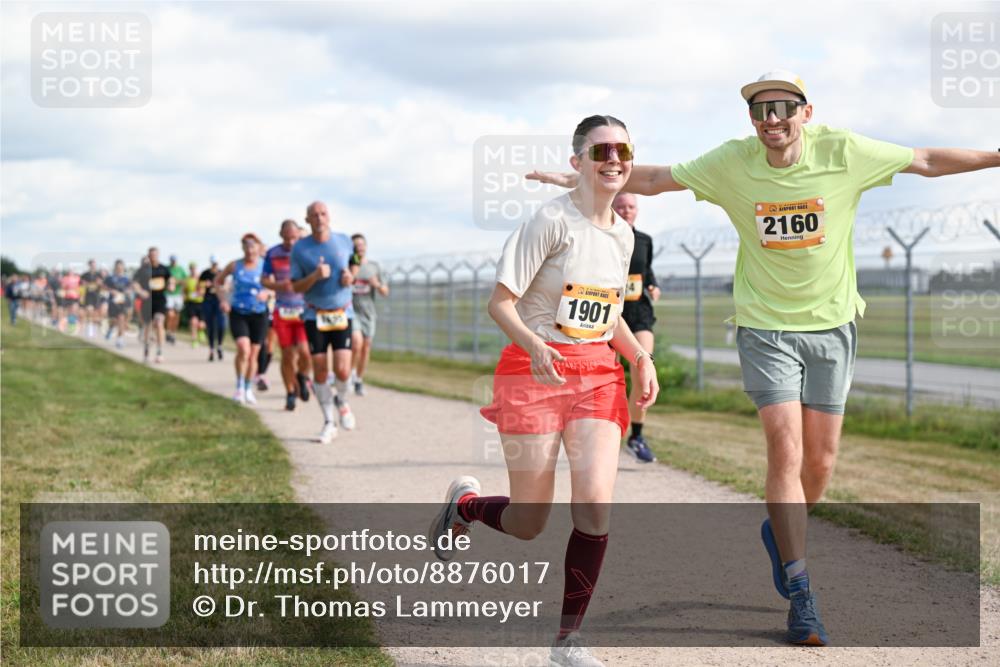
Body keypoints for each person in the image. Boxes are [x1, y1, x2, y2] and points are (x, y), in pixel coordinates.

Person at [529, 70, 1000, 646]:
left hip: (833, 327)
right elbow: (653, 177)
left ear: (805, 112)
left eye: (782, 108)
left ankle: (781, 537)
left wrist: (997, 156)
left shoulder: (844, 150)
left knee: (820, 466)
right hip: (764, 327)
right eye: (759, 111)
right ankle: (802, 595)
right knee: (786, 446)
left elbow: (926, 160)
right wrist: (583, 180)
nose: (771, 120)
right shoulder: (733, 162)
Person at [431, 115, 658, 667]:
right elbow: (500, 304)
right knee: (530, 522)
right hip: (533, 372)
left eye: (622, 149)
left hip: (597, 377)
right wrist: (535, 345)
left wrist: (639, 357)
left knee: (594, 503)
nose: (614, 159)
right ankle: (463, 508)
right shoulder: (549, 223)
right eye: (600, 150)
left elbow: (609, 315)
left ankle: (568, 640)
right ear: (577, 161)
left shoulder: (624, 234)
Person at [290, 201, 358, 443]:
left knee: (341, 368)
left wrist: (351, 276)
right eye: (314, 215)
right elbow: (296, 285)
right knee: (319, 369)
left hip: (342, 312)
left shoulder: (343, 241)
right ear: (307, 220)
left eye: (323, 213)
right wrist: (315, 276)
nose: (319, 218)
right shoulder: (300, 249)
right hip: (314, 313)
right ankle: (329, 421)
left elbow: (354, 264)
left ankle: (343, 401)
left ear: (329, 217)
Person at [611, 193, 661, 463]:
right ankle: (606, 435)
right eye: (620, 206)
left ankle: (636, 436)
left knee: (644, 371)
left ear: (637, 211)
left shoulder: (645, 240)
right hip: (609, 312)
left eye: (630, 206)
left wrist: (652, 284)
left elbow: (646, 269)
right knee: (608, 376)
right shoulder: (602, 237)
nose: (626, 210)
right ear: (612, 208)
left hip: (639, 311)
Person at [262, 219, 313, 411]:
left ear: (299, 236)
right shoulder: (273, 253)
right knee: (287, 354)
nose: (291, 242)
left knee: (305, 352)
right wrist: (277, 286)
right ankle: (290, 392)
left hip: (303, 308)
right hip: (282, 309)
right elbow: (264, 279)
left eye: (294, 237)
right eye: (287, 237)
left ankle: (302, 376)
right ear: (281, 234)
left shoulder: (305, 252)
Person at [215, 234, 271, 405]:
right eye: (246, 246)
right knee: (243, 349)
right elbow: (218, 282)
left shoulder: (265, 266)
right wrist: (224, 300)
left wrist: (267, 292)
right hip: (238, 312)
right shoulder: (235, 265)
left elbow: (276, 286)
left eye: (252, 245)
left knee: (253, 354)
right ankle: (239, 387)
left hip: (259, 313)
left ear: (258, 247)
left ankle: (248, 388)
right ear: (242, 248)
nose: (249, 249)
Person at [349, 233, 389, 396]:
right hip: (352, 311)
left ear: (365, 247)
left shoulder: (374, 267)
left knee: (366, 348)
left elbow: (385, 292)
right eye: (356, 245)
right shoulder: (348, 266)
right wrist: (352, 272)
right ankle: (349, 374)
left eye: (361, 244)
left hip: (369, 313)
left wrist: (376, 284)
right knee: (356, 343)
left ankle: (359, 379)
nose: (359, 247)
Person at [132, 248, 172, 363]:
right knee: (148, 327)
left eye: (155, 255)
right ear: (148, 256)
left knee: (159, 323)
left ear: (158, 255)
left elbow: (171, 280)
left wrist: (171, 286)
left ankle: (159, 352)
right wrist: (140, 291)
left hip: (160, 300)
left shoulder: (164, 269)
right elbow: (135, 282)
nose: (153, 257)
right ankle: (146, 351)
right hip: (147, 301)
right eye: (151, 255)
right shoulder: (143, 269)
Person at [199, 257, 225, 362]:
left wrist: (220, 287)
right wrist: (205, 285)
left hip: (219, 301)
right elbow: (198, 286)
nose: (215, 265)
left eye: (216, 263)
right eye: (213, 263)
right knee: (210, 326)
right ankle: (211, 348)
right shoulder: (205, 273)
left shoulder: (221, 272)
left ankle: (219, 345)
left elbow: (226, 285)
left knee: (221, 325)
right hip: (208, 301)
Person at [105, 259, 132, 348]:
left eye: (121, 267)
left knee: (121, 318)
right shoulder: (110, 278)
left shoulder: (126, 279)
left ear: (123, 268)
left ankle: (120, 339)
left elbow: (130, 288)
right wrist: (111, 290)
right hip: (112, 301)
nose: (119, 269)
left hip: (122, 301)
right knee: (114, 320)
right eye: (118, 267)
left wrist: (128, 291)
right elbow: (104, 286)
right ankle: (111, 328)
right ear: (115, 268)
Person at [165, 255, 187, 345]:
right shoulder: (166, 269)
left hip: (178, 295)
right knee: (170, 314)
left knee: (177, 315)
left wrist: (176, 282)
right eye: (172, 260)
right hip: (168, 294)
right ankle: (168, 331)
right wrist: (169, 283)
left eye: (174, 260)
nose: (173, 262)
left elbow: (185, 281)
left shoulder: (181, 269)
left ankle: (173, 333)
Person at [182, 261, 204, 347]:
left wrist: (197, 294)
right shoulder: (187, 279)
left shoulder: (200, 279)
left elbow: (202, 291)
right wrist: (184, 297)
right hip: (190, 303)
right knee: (193, 322)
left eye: (194, 268)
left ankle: (201, 331)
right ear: (190, 269)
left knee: (201, 324)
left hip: (201, 303)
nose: (193, 270)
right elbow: (184, 291)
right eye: (191, 268)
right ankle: (194, 340)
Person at [80, 259, 103, 338]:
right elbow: (82, 284)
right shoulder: (85, 275)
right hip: (88, 295)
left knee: (95, 313)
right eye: (92, 265)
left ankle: (94, 326)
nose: (93, 266)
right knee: (89, 310)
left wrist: (98, 283)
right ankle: (90, 328)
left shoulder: (98, 274)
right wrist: (86, 285)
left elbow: (101, 284)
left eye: (94, 265)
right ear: (89, 265)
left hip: (96, 295)